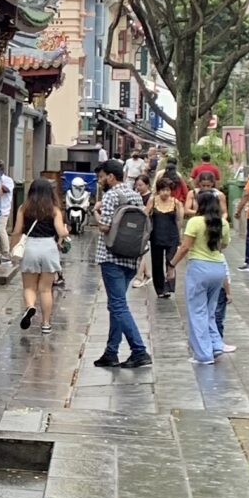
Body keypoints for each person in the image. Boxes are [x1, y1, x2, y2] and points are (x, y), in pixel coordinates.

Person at [93, 158, 153, 369]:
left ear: (111, 176)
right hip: (131, 257)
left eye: (102, 177)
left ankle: (139, 350)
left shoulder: (110, 196)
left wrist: (95, 212)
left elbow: (105, 227)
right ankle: (111, 352)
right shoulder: (135, 195)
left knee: (118, 305)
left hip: (111, 258)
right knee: (116, 305)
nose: (100, 181)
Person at [173, 187, 231, 363]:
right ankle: (215, 344)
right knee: (210, 310)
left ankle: (203, 354)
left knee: (197, 311)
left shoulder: (195, 222)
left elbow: (185, 247)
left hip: (198, 268)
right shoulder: (223, 223)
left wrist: (171, 264)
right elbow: (224, 245)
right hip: (217, 268)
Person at [12, 175, 67, 333]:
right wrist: (65, 231)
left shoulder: (23, 208)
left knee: (29, 287)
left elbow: (16, 230)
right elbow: (60, 232)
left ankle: (30, 307)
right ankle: (46, 324)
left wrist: (12, 248)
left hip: (30, 247)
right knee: (45, 289)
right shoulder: (54, 210)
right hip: (49, 247)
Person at [148, 171, 183, 299]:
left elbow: (179, 220)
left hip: (172, 236)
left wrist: (180, 236)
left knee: (171, 262)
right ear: (158, 190)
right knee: (156, 263)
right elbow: (145, 216)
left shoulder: (176, 203)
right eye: (162, 190)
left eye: (167, 190)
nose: (165, 193)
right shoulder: (152, 201)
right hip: (156, 236)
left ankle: (169, 285)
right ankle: (160, 288)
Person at [0, 161, 16, 259]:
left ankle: (6, 251)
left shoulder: (7, 180)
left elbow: (5, 190)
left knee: (0, 229)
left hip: (3, 210)